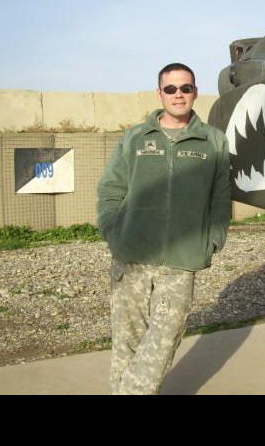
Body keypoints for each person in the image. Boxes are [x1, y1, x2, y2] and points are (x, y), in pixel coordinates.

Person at [97, 62, 231, 395]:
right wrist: (112, 231)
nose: (178, 95)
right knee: (127, 343)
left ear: (195, 92)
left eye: (185, 88)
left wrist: (212, 241)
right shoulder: (135, 138)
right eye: (171, 89)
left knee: (163, 341)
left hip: (181, 262)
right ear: (160, 93)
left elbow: (221, 198)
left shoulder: (213, 141)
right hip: (132, 256)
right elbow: (111, 188)